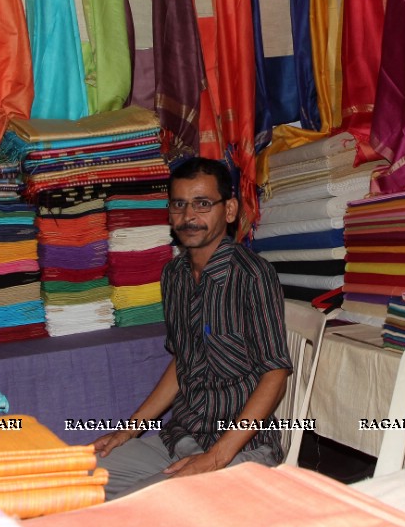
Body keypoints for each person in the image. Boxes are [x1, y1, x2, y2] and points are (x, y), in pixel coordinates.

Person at [93, 157, 292, 499]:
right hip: (182, 435)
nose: (189, 217)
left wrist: (216, 456)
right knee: (80, 478)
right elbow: (183, 361)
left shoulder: (252, 275)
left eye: (202, 204)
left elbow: (274, 374)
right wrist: (129, 430)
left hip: (242, 449)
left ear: (229, 210)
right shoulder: (174, 275)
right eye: (179, 205)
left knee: (142, 506)